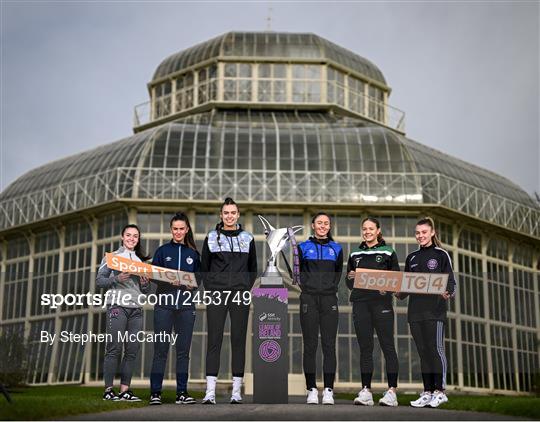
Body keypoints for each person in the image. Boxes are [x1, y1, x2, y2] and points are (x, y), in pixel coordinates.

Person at [200, 197, 257, 404]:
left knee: (238, 341)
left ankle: (236, 391)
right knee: (214, 340)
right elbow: (204, 267)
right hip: (217, 293)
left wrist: (243, 288)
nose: (229, 216)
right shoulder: (211, 237)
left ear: (238, 215)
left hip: (240, 294)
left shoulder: (248, 238)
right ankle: (210, 391)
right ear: (221, 215)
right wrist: (213, 288)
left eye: (233, 213)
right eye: (226, 213)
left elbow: (253, 269)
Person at [399, 217, 456, 408]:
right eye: (417, 233)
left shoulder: (441, 255)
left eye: (424, 232)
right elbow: (405, 289)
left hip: (435, 312)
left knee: (435, 350)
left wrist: (447, 292)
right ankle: (427, 392)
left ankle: (440, 391)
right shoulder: (411, 258)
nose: (420, 236)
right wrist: (394, 290)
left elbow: (451, 283)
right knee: (423, 353)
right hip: (415, 313)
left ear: (432, 233)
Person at [346, 217, 400, 407]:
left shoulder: (388, 251)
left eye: (371, 228)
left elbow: (396, 279)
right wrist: (351, 277)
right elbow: (348, 282)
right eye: (364, 229)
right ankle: (366, 391)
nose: (367, 231)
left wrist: (389, 286)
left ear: (378, 230)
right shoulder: (354, 254)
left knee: (388, 346)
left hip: (381, 304)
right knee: (365, 348)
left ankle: (392, 391)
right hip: (361, 304)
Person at [149, 212, 200, 405]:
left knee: (183, 352)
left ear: (187, 230)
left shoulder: (193, 254)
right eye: (175, 229)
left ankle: (182, 393)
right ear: (171, 230)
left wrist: (192, 284)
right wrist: (166, 277)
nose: (178, 232)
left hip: (186, 308)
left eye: (182, 229)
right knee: (160, 350)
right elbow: (154, 275)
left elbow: (199, 279)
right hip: (164, 307)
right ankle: (155, 393)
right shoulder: (162, 251)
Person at [96, 224, 150, 401]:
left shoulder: (141, 262)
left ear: (138, 239)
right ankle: (108, 391)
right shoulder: (112, 258)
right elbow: (100, 280)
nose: (131, 238)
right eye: (128, 235)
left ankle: (125, 391)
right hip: (117, 306)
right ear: (122, 237)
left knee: (132, 350)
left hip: (136, 309)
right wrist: (116, 278)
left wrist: (144, 283)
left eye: (135, 236)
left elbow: (145, 290)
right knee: (114, 348)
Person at [297, 212, 343, 405]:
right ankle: (312, 389)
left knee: (329, 345)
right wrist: (309, 288)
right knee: (310, 346)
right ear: (313, 225)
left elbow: (338, 274)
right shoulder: (303, 247)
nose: (323, 226)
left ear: (329, 226)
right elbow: (297, 273)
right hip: (308, 298)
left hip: (329, 300)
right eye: (319, 223)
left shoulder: (337, 248)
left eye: (326, 223)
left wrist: (328, 289)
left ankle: (329, 390)